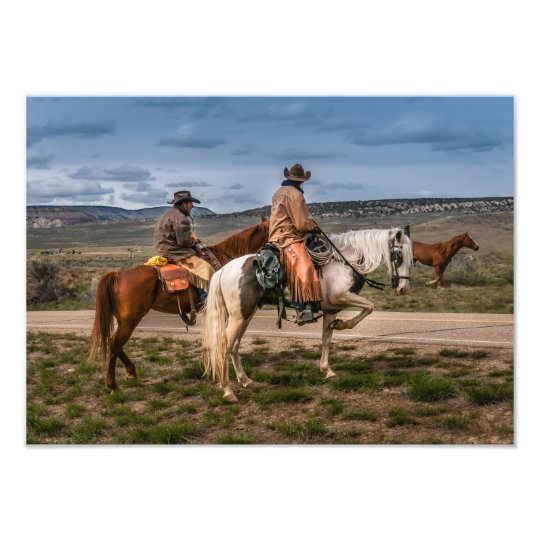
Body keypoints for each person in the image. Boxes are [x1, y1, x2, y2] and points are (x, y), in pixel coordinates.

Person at [268, 163, 323, 324]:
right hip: (287, 238)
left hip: (276, 236)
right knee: (304, 266)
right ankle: (302, 307)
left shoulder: (278, 192)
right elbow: (300, 224)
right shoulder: (295, 194)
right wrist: (313, 224)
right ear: (301, 181)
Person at [154, 190, 215, 303]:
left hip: (163, 251)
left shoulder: (167, 215)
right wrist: (194, 241)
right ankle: (205, 298)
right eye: (191, 203)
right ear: (184, 204)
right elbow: (183, 241)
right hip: (176, 253)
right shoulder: (181, 218)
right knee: (206, 269)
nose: (192, 206)